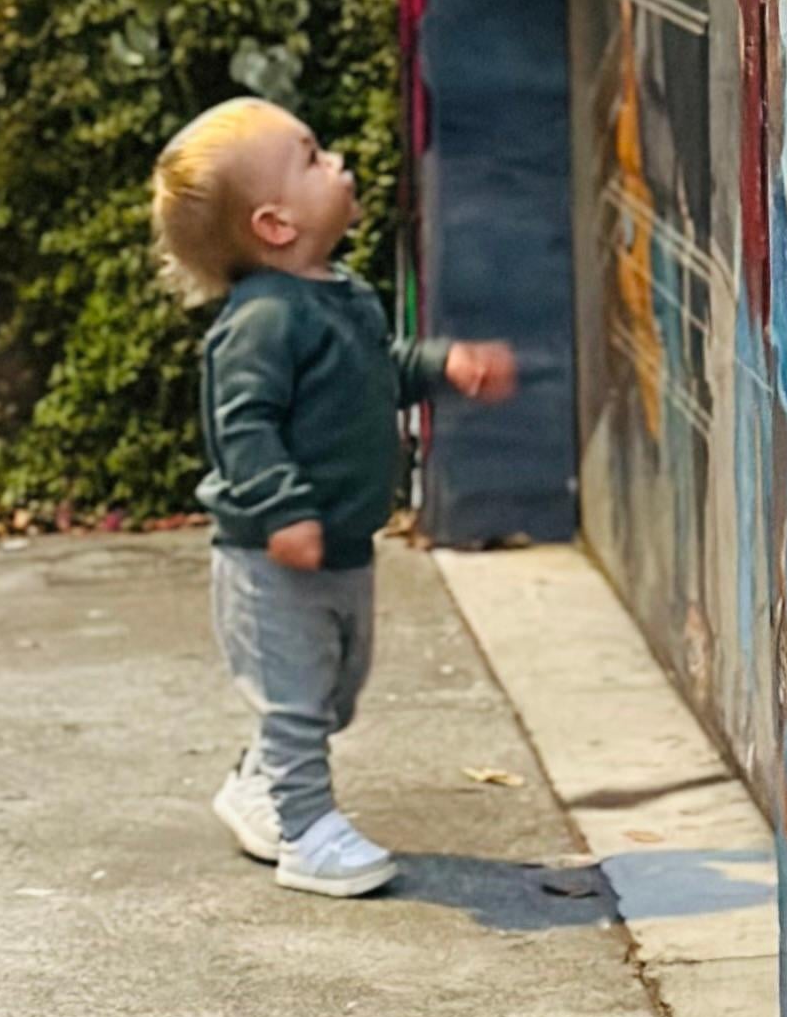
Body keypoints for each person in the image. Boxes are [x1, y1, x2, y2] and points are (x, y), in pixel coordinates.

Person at [152, 97, 518, 897]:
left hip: (342, 541)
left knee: (332, 693)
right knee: (298, 704)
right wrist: (283, 511)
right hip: (274, 553)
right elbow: (241, 424)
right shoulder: (260, 322)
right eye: (313, 157)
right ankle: (308, 832)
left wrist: (439, 364)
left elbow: (371, 368)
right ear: (276, 223)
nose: (338, 164)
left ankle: (259, 783)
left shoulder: (337, 295)